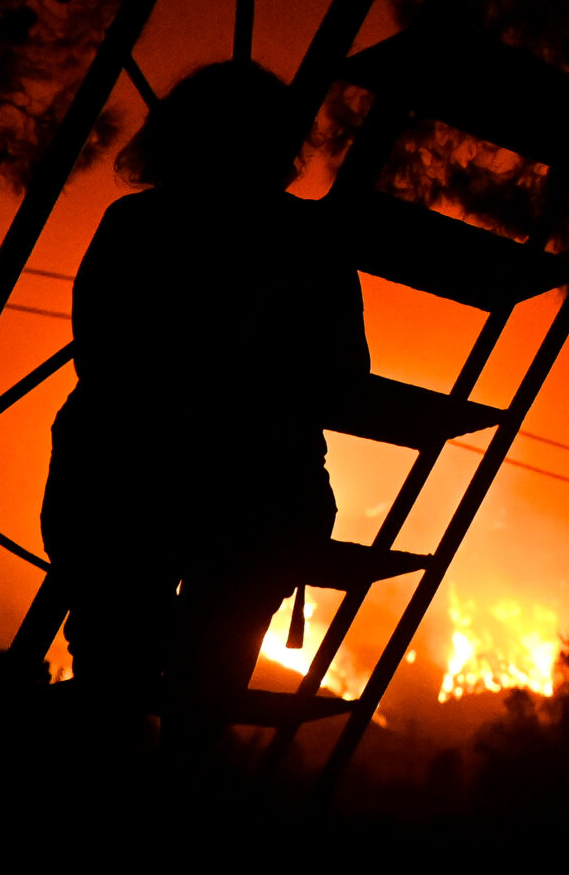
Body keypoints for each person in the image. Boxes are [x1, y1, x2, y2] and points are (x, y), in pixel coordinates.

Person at [41, 60, 369, 728]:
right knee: (206, 681)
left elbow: (98, 357)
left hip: (125, 491)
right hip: (261, 506)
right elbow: (345, 379)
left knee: (113, 675)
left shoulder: (135, 226)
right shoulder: (312, 244)